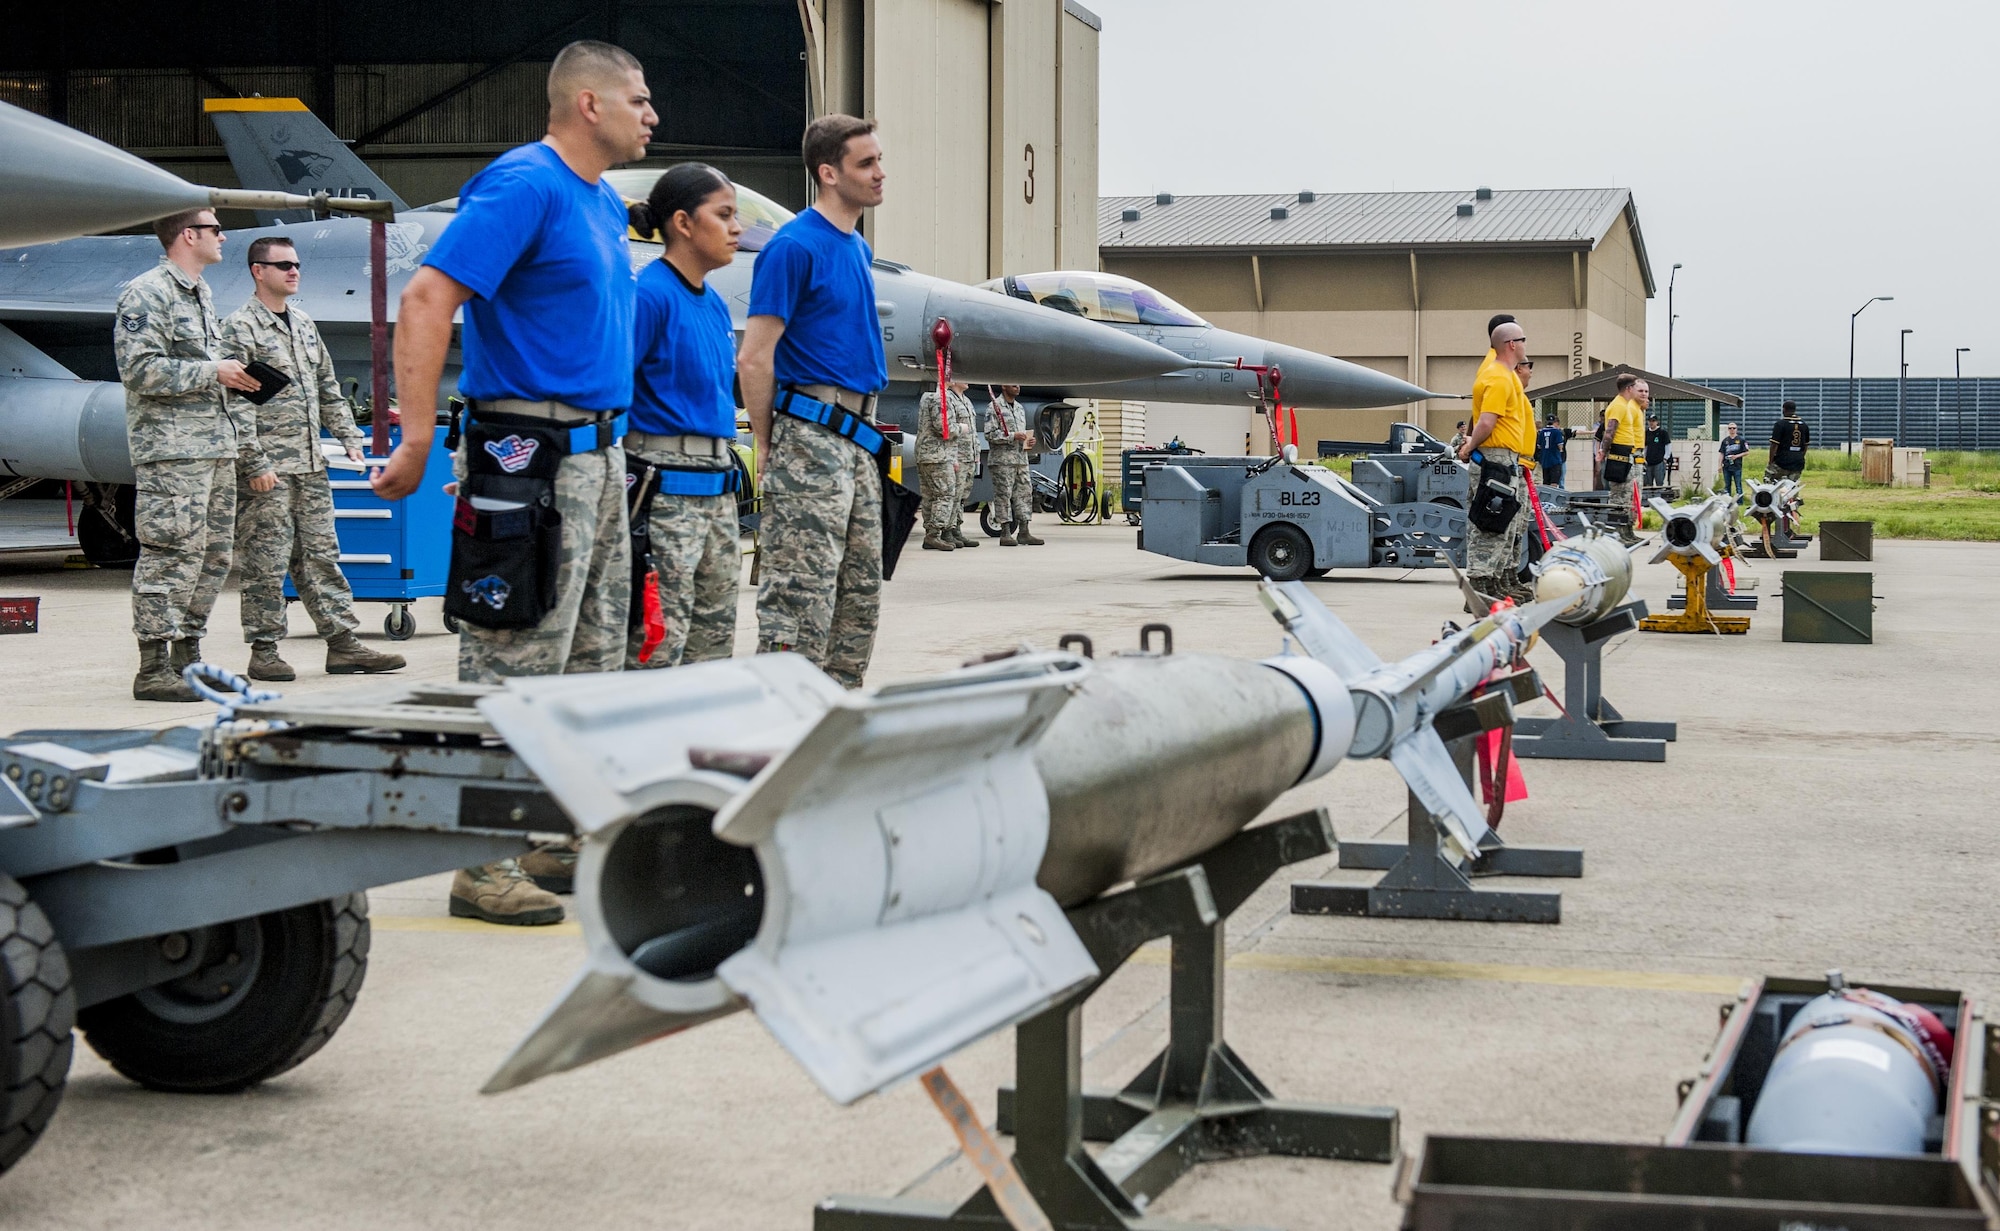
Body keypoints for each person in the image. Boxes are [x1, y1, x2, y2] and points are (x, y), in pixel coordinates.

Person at [376, 40, 656, 926]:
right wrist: (418, 436)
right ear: (588, 105)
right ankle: (478, 856)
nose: (652, 115)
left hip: (599, 455)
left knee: (590, 663)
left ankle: (544, 833)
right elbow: (428, 298)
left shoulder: (604, 203)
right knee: (511, 654)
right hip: (527, 455)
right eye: (640, 100)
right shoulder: (524, 184)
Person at [740, 114, 888, 689]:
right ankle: (782, 728)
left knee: (858, 600)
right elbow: (755, 357)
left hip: (857, 440)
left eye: (879, 160)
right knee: (800, 600)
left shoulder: (855, 248)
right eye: (866, 163)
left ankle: (839, 720)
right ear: (828, 173)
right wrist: (767, 441)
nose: (880, 173)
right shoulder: (793, 248)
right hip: (811, 436)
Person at [221, 236, 406, 681]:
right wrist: (255, 462)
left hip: (310, 464)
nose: (293, 271)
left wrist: (349, 435)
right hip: (268, 471)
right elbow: (234, 404)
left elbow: (326, 386)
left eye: (296, 264)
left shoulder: (303, 324)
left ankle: (343, 645)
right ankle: (264, 651)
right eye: (283, 264)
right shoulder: (239, 328)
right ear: (257, 270)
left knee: (322, 555)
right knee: (266, 561)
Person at [114, 207, 265, 701]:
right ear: (187, 235)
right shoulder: (147, 292)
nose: (223, 237)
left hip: (213, 447)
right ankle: (153, 667)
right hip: (172, 451)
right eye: (216, 230)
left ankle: (187, 657)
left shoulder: (201, 293)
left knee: (214, 556)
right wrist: (212, 372)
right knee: (170, 552)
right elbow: (140, 370)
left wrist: (233, 376)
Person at [623, 164, 745, 669]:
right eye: (724, 215)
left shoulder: (714, 304)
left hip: (717, 497)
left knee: (712, 653)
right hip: (663, 496)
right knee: (655, 648)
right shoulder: (648, 296)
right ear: (683, 223)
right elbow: (610, 392)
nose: (737, 227)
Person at [1457, 321, 1536, 605]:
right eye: (1523, 340)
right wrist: (1470, 445)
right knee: (1489, 523)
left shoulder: (1505, 376)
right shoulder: (1498, 377)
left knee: (1501, 523)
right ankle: (1479, 591)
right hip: (1495, 458)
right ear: (1511, 344)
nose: (1526, 345)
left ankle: (1495, 585)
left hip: (1505, 458)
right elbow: (1487, 421)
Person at [916, 381, 973, 551]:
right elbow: (944, 428)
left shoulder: (929, 396)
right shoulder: (940, 397)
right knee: (945, 494)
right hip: (938, 455)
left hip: (928, 454)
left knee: (930, 496)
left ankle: (931, 535)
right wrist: (961, 428)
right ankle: (934, 534)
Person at [986, 384, 1042, 546]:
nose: (1017, 387)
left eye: (1018, 384)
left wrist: (1029, 441)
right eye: (1013, 384)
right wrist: (1012, 436)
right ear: (1004, 387)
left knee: (1024, 493)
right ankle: (1005, 532)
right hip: (1002, 461)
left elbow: (1022, 434)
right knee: (1003, 495)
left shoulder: (1019, 408)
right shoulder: (994, 407)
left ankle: (1024, 531)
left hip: (1020, 459)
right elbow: (990, 434)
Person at [1601, 374, 1645, 543]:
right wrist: (1603, 451)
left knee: (1627, 496)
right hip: (1619, 453)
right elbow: (1610, 430)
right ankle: (1617, 534)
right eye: (1636, 387)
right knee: (1619, 496)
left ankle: (1626, 532)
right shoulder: (1618, 405)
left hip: (1627, 453)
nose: (1638, 391)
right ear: (1629, 388)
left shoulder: (1625, 405)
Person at [951, 392, 981, 548]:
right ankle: (949, 530)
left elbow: (972, 431)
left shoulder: (967, 401)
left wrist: (977, 452)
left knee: (962, 497)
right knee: (954, 495)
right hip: (959, 456)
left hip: (969, 456)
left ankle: (957, 530)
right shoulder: (950, 399)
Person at [1768, 400, 1810, 481]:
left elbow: (1774, 445)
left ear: (1784, 409)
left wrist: (1771, 461)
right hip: (1798, 461)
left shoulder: (1780, 424)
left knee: (1772, 484)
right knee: (1791, 486)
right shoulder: (1804, 425)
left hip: (1782, 461)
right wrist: (1800, 456)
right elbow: (1806, 445)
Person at [1534, 408, 1570, 488]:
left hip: (1545, 460)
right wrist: (1560, 450)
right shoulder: (1557, 432)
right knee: (1554, 482)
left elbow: (1539, 445)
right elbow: (1560, 445)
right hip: (1555, 460)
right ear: (1554, 422)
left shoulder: (1542, 432)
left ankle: (1546, 498)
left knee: (1546, 481)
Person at [1720, 422, 1749, 497]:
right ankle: (1728, 500)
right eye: (1730, 428)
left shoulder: (1741, 440)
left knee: (1738, 485)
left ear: (1736, 429)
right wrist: (1719, 465)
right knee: (1727, 485)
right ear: (1728, 430)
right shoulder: (1725, 441)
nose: (1732, 430)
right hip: (1726, 466)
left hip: (1737, 466)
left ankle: (1739, 501)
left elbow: (1746, 452)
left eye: (1734, 428)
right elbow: (1721, 453)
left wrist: (1736, 456)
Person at [1644, 413, 1671, 488]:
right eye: (1650, 421)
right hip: (1648, 461)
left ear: (1657, 422)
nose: (1651, 423)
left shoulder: (1662, 433)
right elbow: (1645, 447)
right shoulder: (1646, 433)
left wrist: (1666, 457)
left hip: (1659, 461)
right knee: (1648, 483)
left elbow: (1668, 445)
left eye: (1653, 421)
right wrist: (1644, 458)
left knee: (1659, 483)